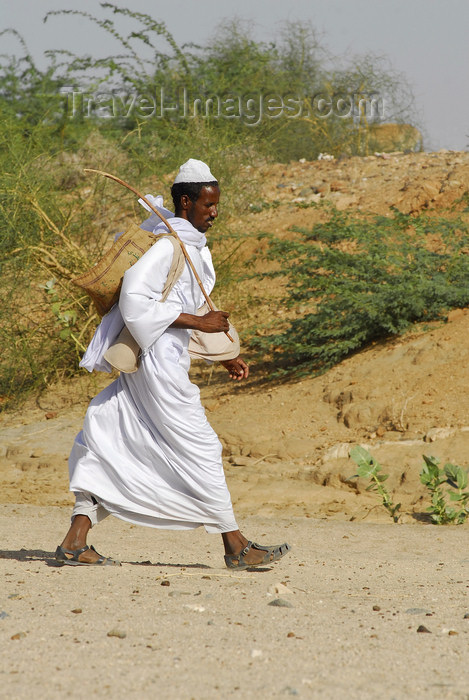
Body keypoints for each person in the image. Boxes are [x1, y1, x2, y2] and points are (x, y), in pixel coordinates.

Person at [55, 158, 290, 570]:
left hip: (163, 362)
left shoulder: (192, 248)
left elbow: (183, 315)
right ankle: (235, 546)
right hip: (158, 369)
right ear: (186, 202)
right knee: (201, 447)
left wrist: (223, 356)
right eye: (208, 205)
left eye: (217, 205)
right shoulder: (167, 247)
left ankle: (76, 538)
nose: (215, 212)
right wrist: (200, 320)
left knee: (113, 433)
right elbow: (135, 301)